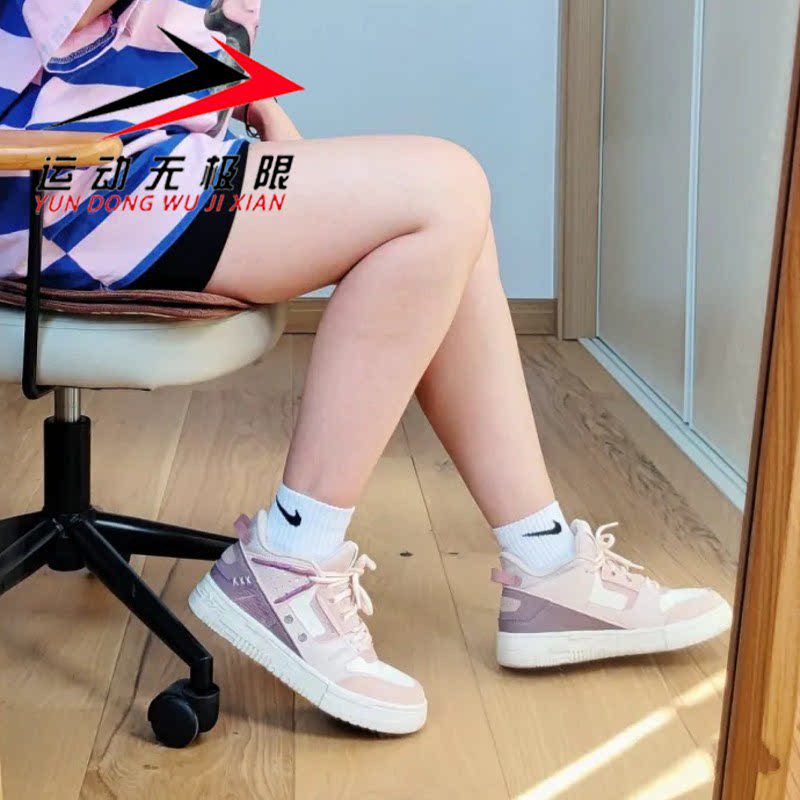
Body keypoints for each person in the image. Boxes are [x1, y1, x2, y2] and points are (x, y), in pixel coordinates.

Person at [1, 0, 732, 735]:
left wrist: (252, 104)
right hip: (60, 187)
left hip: (150, 164)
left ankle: (546, 563)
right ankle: (291, 560)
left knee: (457, 221)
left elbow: (159, 41)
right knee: (442, 191)